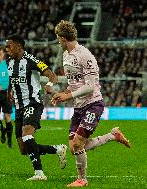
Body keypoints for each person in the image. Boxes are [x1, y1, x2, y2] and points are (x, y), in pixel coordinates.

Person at [52, 20, 131, 187]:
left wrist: (69, 96)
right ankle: (112, 135)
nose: (58, 41)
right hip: (79, 106)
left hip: (93, 104)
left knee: (78, 143)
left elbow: (90, 86)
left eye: (58, 38)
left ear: (63, 38)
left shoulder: (85, 55)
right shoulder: (66, 55)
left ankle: (82, 179)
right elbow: (74, 82)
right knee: (74, 147)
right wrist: (64, 93)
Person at [5, 34, 68, 181]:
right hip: (19, 107)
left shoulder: (31, 61)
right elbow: (12, 78)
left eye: (9, 46)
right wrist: (10, 90)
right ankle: (57, 149)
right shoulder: (9, 62)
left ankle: (39, 174)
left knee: (28, 135)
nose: (6, 49)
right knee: (23, 148)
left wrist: (49, 85)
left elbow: (52, 75)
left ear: (19, 46)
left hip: (33, 103)